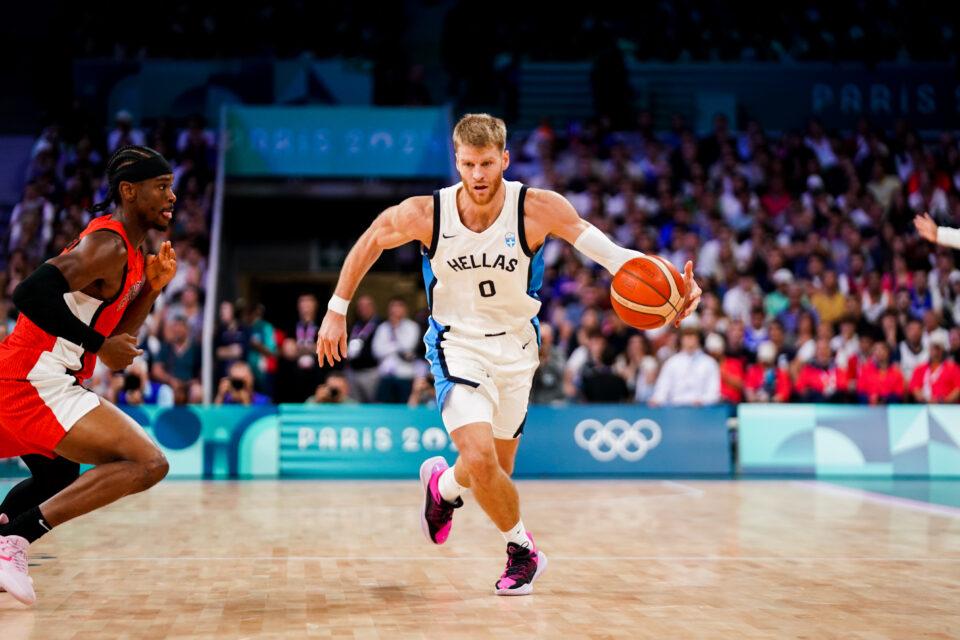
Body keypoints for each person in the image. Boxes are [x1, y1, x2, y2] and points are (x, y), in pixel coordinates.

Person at [315, 114, 701, 596]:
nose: (478, 175)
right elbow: (374, 236)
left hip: (517, 347)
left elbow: (613, 256)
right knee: (480, 457)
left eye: (487, 164)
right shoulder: (428, 213)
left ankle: (443, 488)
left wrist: (674, 290)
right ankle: (523, 550)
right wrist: (337, 308)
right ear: (457, 162)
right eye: (468, 164)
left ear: (505, 160)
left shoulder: (537, 208)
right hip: (456, 343)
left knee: (495, 469)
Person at [0, 145, 178, 604]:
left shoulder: (134, 255)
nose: (171, 196)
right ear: (129, 191)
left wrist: (151, 290)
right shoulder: (108, 244)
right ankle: (14, 542)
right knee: (149, 463)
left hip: (37, 376)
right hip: (32, 378)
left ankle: (5, 539)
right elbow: (28, 293)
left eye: (171, 186)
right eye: (161, 186)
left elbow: (119, 346)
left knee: (58, 475)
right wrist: (97, 344)